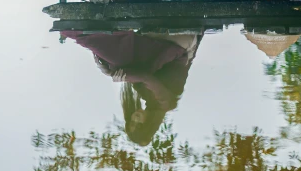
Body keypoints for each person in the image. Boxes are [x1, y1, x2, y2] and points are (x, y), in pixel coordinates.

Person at [62, 29, 202, 145]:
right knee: (120, 59)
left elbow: (133, 74)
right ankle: (79, 32)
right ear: (149, 125)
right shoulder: (166, 103)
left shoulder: (146, 97)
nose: (134, 118)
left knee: (119, 62)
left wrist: (109, 71)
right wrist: (117, 75)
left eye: (131, 122)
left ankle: (85, 31)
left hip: (164, 46)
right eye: (139, 124)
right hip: (178, 44)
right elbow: (144, 77)